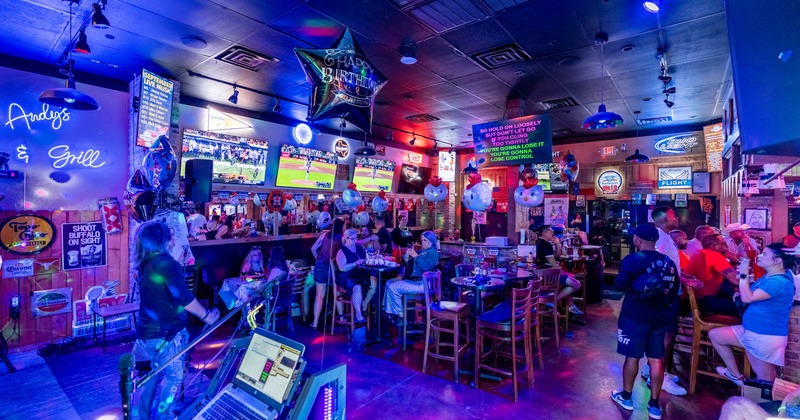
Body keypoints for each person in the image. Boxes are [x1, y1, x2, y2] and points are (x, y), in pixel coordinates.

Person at [133, 221, 219, 420]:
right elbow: (183, 297)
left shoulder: (148, 261)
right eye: (170, 234)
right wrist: (207, 315)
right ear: (162, 239)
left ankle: (145, 416)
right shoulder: (166, 264)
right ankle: (165, 416)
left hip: (147, 333)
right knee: (175, 377)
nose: (174, 237)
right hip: (166, 334)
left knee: (153, 378)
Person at [611, 224, 679, 420]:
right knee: (656, 359)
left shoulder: (634, 259)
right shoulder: (668, 262)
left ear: (638, 240)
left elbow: (619, 285)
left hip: (634, 315)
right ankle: (655, 405)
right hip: (660, 317)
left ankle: (626, 397)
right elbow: (674, 291)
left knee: (632, 357)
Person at [710, 243, 796, 384]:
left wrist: (743, 273)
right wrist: (741, 291)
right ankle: (735, 375)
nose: (760, 256)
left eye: (765, 254)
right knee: (716, 335)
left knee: (766, 379)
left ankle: (764, 405)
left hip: (763, 335)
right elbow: (752, 294)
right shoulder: (770, 276)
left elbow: (748, 298)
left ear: (777, 261)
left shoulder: (778, 282)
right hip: (750, 330)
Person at [384, 230, 440, 324]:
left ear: (431, 241)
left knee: (393, 287)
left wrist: (415, 256)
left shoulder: (433, 253)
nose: (423, 242)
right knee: (389, 282)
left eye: (425, 240)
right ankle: (389, 311)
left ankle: (398, 315)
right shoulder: (423, 252)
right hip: (414, 279)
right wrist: (407, 257)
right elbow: (413, 266)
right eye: (422, 240)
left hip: (422, 283)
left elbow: (426, 266)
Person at [684, 234, 740, 316]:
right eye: (724, 243)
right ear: (714, 246)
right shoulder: (714, 255)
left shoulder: (699, 254)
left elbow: (731, 277)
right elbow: (737, 281)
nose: (727, 245)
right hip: (702, 300)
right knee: (747, 308)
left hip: (689, 300)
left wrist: (733, 262)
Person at [536, 225, 583, 316]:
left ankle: (570, 305)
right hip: (550, 276)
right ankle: (553, 301)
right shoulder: (545, 245)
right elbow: (553, 264)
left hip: (544, 275)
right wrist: (559, 268)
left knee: (571, 276)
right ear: (545, 233)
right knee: (576, 284)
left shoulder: (541, 243)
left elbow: (557, 257)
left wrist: (557, 244)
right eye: (551, 231)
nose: (553, 233)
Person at [309, 219, 345, 329]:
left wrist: (318, 260)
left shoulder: (324, 235)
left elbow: (313, 248)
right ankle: (342, 319)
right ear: (341, 227)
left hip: (320, 265)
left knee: (319, 295)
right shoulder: (342, 238)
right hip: (333, 266)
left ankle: (315, 323)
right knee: (337, 293)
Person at [335, 229, 375, 324]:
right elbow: (342, 268)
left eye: (355, 238)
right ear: (346, 239)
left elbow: (366, 258)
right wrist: (355, 263)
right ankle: (358, 314)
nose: (354, 241)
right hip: (347, 276)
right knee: (357, 287)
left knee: (374, 283)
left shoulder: (359, 247)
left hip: (360, 273)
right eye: (352, 239)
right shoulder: (341, 251)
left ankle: (364, 305)